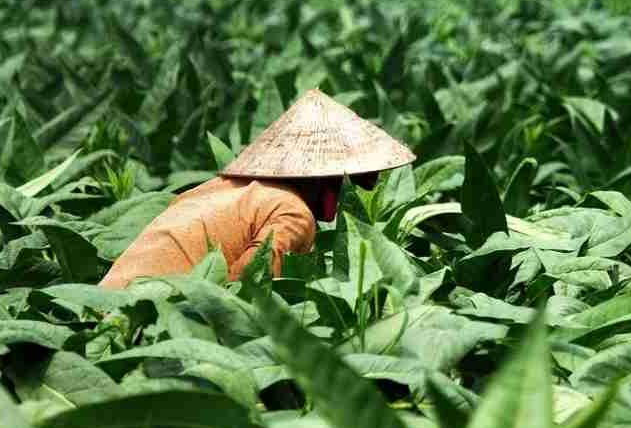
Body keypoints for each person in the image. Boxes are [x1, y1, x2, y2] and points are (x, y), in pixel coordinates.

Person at [98, 89, 415, 288]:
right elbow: (249, 289)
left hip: (103, 302)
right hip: (150, 316)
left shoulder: (218, 187)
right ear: (324, 178)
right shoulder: (293, 212)